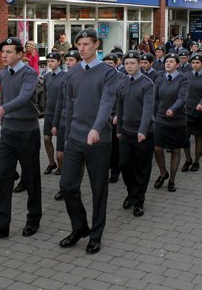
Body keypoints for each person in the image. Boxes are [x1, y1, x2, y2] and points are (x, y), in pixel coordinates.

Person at [59, 28, 118, 254]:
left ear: (96, 45)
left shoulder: (108, 73)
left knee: (98, 189)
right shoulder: (72, 73)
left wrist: (96, 128)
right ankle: (79, 226)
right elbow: (70, 106)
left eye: (86, 44)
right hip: (75, 137)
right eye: (79, 45)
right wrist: (66, 137)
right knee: (67, 185)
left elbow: (106, 104)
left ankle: (96, 235)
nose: (81, 49)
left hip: (98, 140)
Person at [0, 37, 42, 240]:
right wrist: (3, 117)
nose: (4, 55)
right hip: (8, 133)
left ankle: (33, 219)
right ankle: (0, 225)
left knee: (31, 177)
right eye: (3, 51)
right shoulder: (3, 74)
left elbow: (23, 98)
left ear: (20, 54)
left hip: (27, 132)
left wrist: (2, 110)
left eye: (10, 52)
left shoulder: (29, 73)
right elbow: (5, 98)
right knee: (3, 177)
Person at [116, 50, 155, 217]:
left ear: (139, 64)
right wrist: (118, 129)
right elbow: (119, 106)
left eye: (132, 63)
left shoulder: (148, 84)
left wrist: (142, 130)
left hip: (143, 133)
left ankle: (138, 200)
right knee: (125, 165)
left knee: (142, 168)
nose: (129, 66)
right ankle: (132, 192)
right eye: (126, 64)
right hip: (126, 132)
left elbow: (148, 109)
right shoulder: (123, 82)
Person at [153, 52, 189, 192]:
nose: (168, 63)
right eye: (167, 61)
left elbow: (182, 98)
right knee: (157, 148)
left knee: (175, 149)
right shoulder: (159, 79)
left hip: (177, 119)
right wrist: (155, 114)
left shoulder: (183, 80)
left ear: (177, 65)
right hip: (161, 118)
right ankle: (163, 173)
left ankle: (172, 180)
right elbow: (155, 99)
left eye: (171, 62)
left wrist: (173, 109)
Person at [52, 50, 82, 200]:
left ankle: (74, 186)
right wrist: (55, 123)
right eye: (67, 60)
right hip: (64, 120)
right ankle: (64, 184)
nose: (68, 63)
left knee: (76, 158)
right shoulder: (64, 78)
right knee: (60, 154)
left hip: (77, 123)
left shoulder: (83, 77)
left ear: (78, 61)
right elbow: (59, 102)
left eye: (72, 60)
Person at [182, 54, 202, 172]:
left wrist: (201, 104)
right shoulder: (186, 75)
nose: (195, 65)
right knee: (185, 137)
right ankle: (188, 159)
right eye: (193, 63)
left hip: (200, 110)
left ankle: (196, 161)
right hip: (186, 110)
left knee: (198, 136)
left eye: (197, 63)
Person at [42, 52, 65, 175]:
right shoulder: (47, 77)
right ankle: (52, 163)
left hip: (61, 113)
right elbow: (46, 95)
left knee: (60, 145)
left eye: (52, 61)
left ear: (59, 62)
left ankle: (61, 166)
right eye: (48, 61)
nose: (50, 63)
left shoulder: (64, 76)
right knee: (46, 138)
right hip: (49, 113)